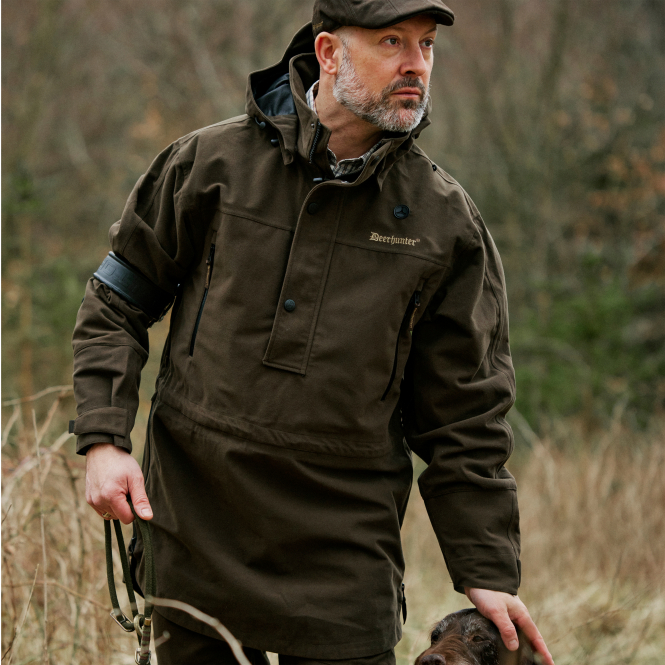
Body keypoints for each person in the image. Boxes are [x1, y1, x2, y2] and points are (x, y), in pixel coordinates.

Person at [72, 1, 554, 663]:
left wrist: (487, 568)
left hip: (342, 566)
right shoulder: (209, 164)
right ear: (328, 53)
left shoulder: (445, 223)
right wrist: (103, 440)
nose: (416, 64)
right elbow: (115, 302)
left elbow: (466, 417)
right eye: (391, 41)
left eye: (426, 44)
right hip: (193, 536)